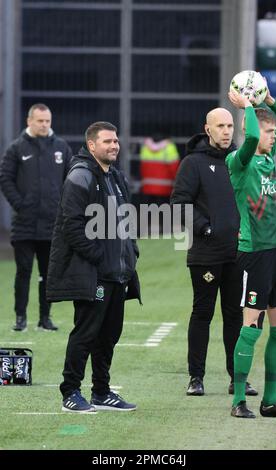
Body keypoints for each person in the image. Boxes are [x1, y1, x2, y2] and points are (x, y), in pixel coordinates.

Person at [46, 121, 141, 413]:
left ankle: (101, 391)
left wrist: (131, 252)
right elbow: (70, 226)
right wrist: (99, 256)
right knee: (86, 333)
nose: (114, 146)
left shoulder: (115, 176)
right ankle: (70, 392)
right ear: (91, 145)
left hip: (118, 273)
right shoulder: (81, 175)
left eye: (115, 141)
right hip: (94, 273)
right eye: (107, 142)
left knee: (109, 335)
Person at [171, 108, 258, 397]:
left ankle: (238, 378)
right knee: (203, 313)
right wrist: (205, 228)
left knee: (236, 316)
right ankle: (196, 377)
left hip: (240, 253)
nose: (226, 131)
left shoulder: (241, 161)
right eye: (220, 125)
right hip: (206, 253)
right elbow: (179, 203)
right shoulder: (192, 163)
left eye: (230, 125)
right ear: (207, 129)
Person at [226, 87, 276, 418]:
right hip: (254, 253)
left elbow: (266, 127)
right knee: (251, 327)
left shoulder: (272, 158)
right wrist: (247, 105)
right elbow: (251, 136)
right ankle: (238, 401)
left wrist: (270, 101)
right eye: (269, 133)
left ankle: (271, 399)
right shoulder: (239, 161)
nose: (272, 138)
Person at [0, 103, 72, 332]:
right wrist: (20, 205)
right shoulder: (16, 148)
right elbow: (5, 179)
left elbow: (71, 179)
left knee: (48, 274)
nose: (44, 125)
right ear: (29, 121)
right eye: (40, 120)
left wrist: (62, 206)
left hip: (52, 223)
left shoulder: (61, 147)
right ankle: (20, 318)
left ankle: (45, 318)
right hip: (24, 224)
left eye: (47, 121)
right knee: (23, 272)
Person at [140, 134, 180, 204]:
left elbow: (142, 168)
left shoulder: (145, 147)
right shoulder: (169, 147)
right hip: (165, 189)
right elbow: (175, 169)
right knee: (163, 213)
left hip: (148, 188)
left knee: (148, 213)